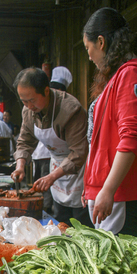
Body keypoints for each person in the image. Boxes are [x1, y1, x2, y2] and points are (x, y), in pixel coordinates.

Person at [11, 67, 92, 226]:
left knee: (80, 223)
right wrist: (20, 166)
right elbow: (25, 141)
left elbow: (78, 154)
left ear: (46, 91)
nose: (28, 106)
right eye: (24, 101)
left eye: (32, 100)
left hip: (79, 170)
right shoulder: (28, 111)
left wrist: (52, 176)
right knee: (61, 220)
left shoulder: (70, 109)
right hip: (56, 168)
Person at [82, 7, 137, 236]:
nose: (89, 56)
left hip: (120, 196)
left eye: (88, 48)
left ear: (101, 42)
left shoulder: (129, 74)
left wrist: (107, 189)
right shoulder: (114, 78)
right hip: (108, 193)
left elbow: (131, 137)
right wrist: (91, 185)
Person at [31, 66, 73, 214]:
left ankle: (48, 209)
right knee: (52, 196)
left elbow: (79, 151)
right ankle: (48, 210)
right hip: (51, 160)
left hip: (73, 165)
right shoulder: (36, 107)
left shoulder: (69, 108)